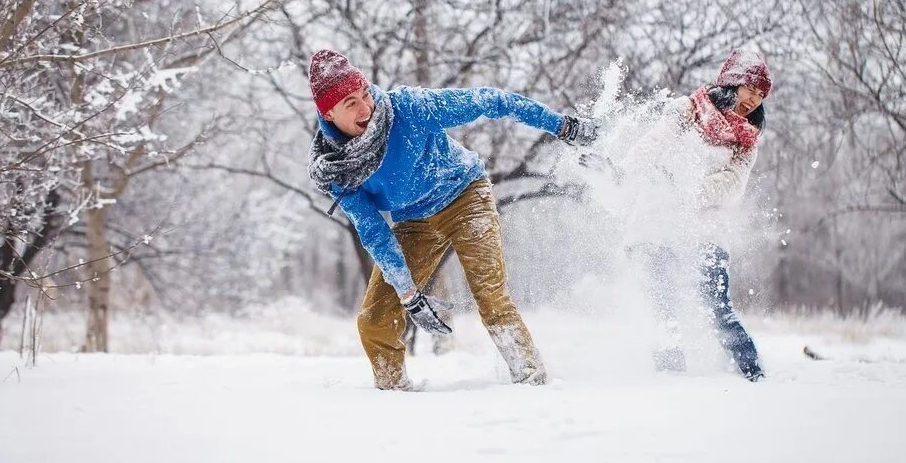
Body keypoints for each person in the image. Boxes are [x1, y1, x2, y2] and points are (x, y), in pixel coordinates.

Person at [307, 49, 594, 390]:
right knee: (374, 321)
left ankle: (532, 383)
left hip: (464, 195)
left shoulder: (408, 108)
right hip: (414, 220)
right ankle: (393, 397)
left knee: (490, 299)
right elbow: (373, 230)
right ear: (328, 112)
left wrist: (562, 125)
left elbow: (491, 101)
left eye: (365, 93)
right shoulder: (337, 168)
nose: (365, 108)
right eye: (350, 103)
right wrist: (408, 292)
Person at [619, 49, 771, 381]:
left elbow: (732, 185)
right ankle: (671, 379)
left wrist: (688, 191)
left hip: (708, 230)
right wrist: (624, 171)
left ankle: (754, 376)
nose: (754, 100)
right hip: (658, 224)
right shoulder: (687, 109)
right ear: (733, 83)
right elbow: (654, 143)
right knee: (664, 307)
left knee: (717, 307)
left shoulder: (748, 141)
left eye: (761, 95)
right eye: (751, 89)